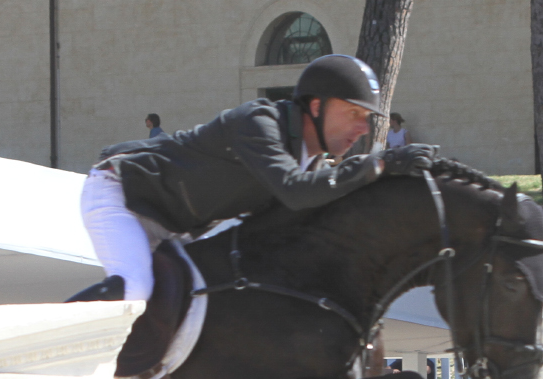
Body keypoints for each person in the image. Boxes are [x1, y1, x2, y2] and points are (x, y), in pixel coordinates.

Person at [74, 54, 435, 303]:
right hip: (120, 196)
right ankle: (31, 346)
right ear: (315, 106)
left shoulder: (311, 165)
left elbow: (322, 201)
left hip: (171, 226)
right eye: (354, 112)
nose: (362, 127)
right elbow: (295, 192)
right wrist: (381, 164)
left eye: (366, 117)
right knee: (136, 290)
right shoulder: (260, 123)